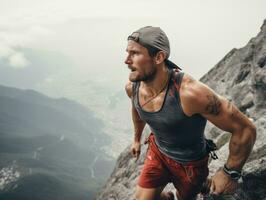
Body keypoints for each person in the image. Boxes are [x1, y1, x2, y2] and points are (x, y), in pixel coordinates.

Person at [124, 26, 256, 200]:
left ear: (159, 57)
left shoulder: (190, 94)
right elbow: (137, 109)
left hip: (191, 165)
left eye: (134, 53)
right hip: (158, 153)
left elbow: (245, 129)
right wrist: (136, 139)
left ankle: (201, 184)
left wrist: (230, 172)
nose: (126, 60)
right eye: (127, 52)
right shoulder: (133, 87)